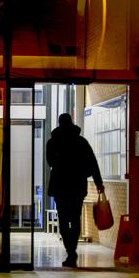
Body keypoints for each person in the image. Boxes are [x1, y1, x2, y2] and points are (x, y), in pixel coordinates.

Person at [46, 113, 104, 268]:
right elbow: (93, 162)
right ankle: (72, 249)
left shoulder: (53, 142)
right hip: (77, 186)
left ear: (59, 123)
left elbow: (50, 161)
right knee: (75, 218)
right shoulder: (81, 142)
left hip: (60, 187)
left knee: (63, 220)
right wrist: (99, 182)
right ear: (71, 122)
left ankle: (70, 251)